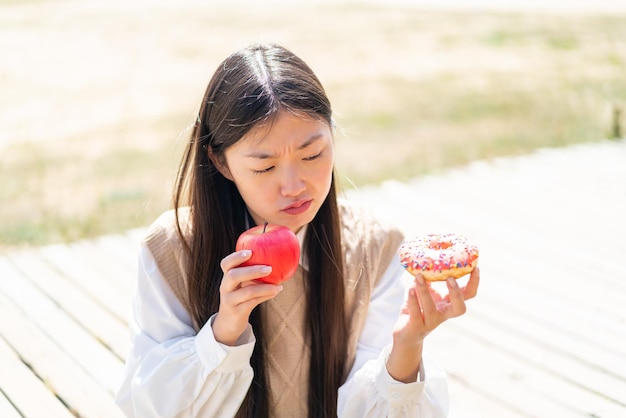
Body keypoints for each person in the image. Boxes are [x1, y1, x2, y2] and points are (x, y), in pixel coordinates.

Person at [115, 42, 480, 418]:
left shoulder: (376, 245)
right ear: (220, 162)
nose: (294, 186)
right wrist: (223, 332)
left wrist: (407, 346)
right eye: (264, 167)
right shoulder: (173, 250)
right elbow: (149, 406)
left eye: (312, 155)